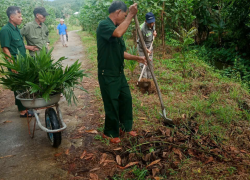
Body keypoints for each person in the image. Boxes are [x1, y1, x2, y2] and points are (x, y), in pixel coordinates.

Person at [96, 1, 147, 143]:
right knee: (112, 103)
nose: (125, 18)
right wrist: (131, 15)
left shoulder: (116, 27)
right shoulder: (104, 25)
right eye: (124, 15)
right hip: (107, 73)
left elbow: (121, 52)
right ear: (118, 12)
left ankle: (126, 127)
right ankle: (110, 133)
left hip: (119, 73)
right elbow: (118, 33)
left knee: (126, 99)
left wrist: (137, 58)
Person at [0, 6, 37, 117]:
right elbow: (5, 49)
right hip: (16, 63)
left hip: (22, 62)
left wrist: (28, 47)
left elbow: (16, 44)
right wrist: (13, 65)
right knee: (19, 86)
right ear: (12, 17)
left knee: (23, 85)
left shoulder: (16, 29)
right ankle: (22, 111)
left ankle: (24, 107)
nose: (21, 18)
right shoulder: (5, 30)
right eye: (19, 16)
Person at [137, 12, 157, 79]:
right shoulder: (142, 29)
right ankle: (144, 80)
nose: (152, 24)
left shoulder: (153, 23)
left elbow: (153, 30)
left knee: (149, 63)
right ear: (146, 21)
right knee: (143, 63)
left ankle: (150, 80)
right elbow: (141, 42)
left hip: (150, 45)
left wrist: (154, 33)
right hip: (142, 47)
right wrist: (145, 49)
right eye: (150, 23)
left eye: (153, 22)